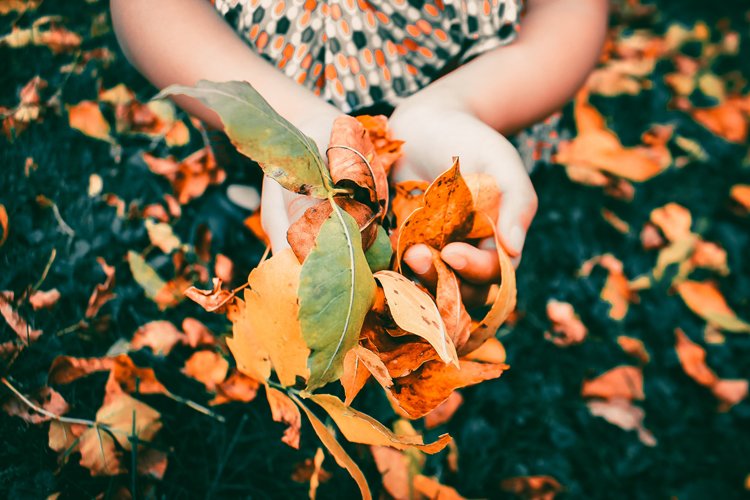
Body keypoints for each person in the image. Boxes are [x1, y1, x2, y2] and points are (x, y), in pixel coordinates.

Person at [110, 0, 608, 293]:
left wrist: (467, 105)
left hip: (476, 85)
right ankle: (253, 188)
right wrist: (290, 126)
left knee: (446, 221)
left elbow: (567, 13)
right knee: (278, 182)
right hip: (263, 75)